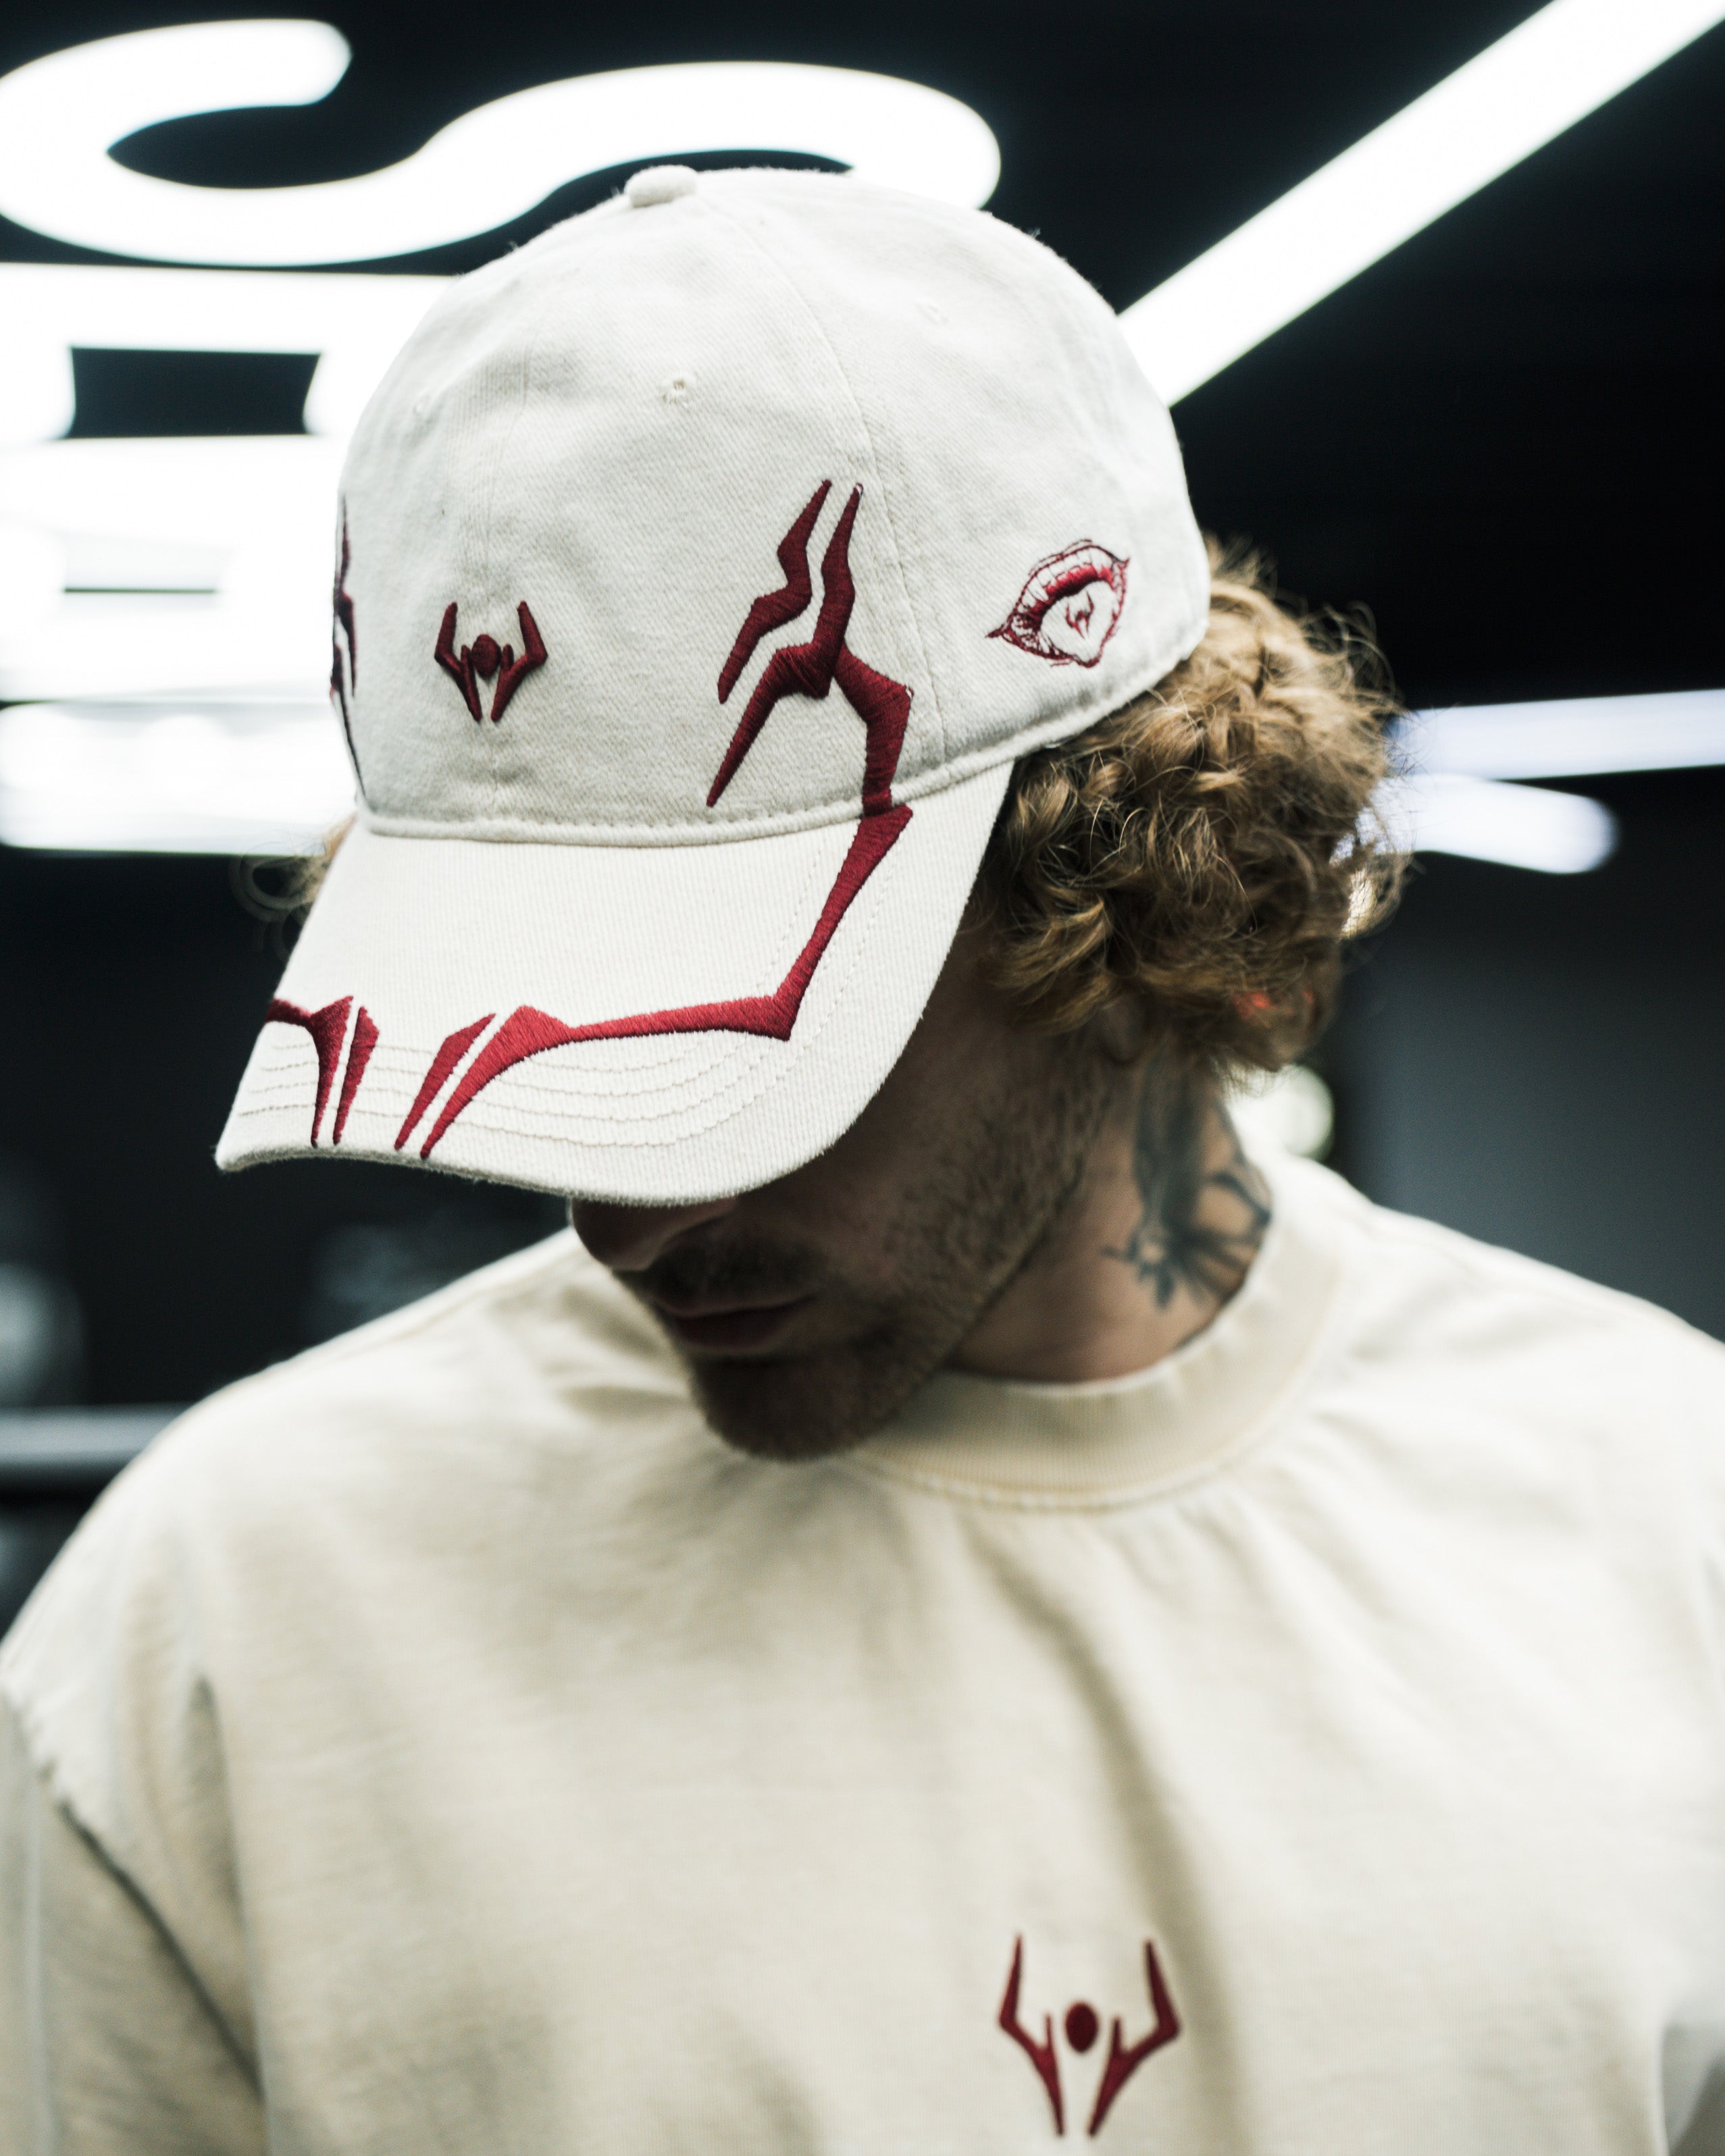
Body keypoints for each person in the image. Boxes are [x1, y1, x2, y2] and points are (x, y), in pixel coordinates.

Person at [3, 165, 1724, 2155]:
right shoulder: (223, 1624)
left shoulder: (1665, 1526)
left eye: (757, 1049)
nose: (628, 1218)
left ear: (1122, 888)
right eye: (538, 1033)